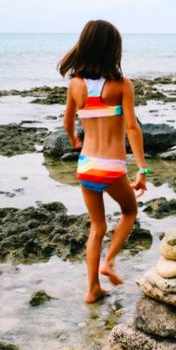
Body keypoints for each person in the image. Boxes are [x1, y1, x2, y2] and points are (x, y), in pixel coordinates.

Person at [58, 20, 150, 303]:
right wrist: (142, 170)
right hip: (111, 166)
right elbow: (133, 128)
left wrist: (75, 139)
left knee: (96, 228)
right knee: (129, 212)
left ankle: (92, 289)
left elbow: (67, 123)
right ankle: (109, 262)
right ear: (113, 50)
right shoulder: (122, 85)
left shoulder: (76, 84)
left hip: (86, 166)